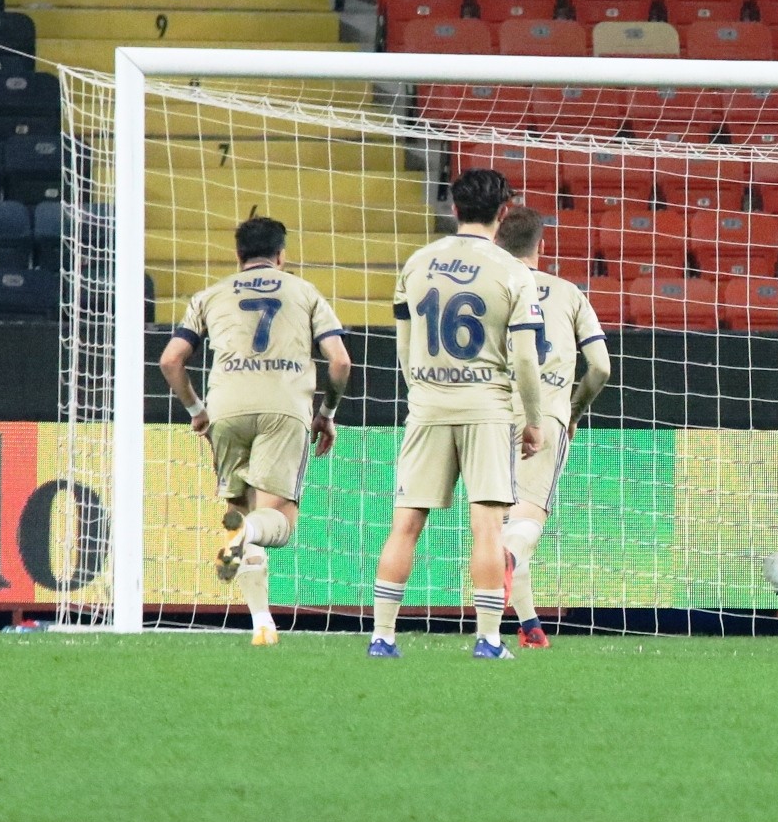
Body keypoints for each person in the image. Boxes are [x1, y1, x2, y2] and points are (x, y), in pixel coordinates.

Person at [369, 169, 547, 660]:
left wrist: (422, 392)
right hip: (487, 408)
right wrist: (531, 419)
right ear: (504, 211)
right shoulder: (513, 271)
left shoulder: (418, 262)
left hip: (427, 403)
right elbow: (527, 359)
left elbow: (404, 347)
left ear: (452, 208)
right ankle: (488, 640)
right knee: (487, 527)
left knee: (405, 522)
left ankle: (382, 637)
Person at [157, 214, 352, 645]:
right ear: (281, 255)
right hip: (283, 408)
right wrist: (328, 411)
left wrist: (195, 408)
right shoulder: (304, 292)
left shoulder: (209, 295)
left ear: (238, 255)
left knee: (245, 514)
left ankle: (262, 623)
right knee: (276, 521)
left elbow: (170, 360)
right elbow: (339, 361)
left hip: (225, 408)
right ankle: (246, 537)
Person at [493, 203, 610, 649]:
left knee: (499, 519)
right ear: (542, 247)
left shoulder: (491, 288)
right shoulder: (567, 292)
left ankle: (528, 627)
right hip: (544, 413)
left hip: (488, 409)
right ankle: (509, 572)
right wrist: (574, 412)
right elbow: (600, 367)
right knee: (526, 519)